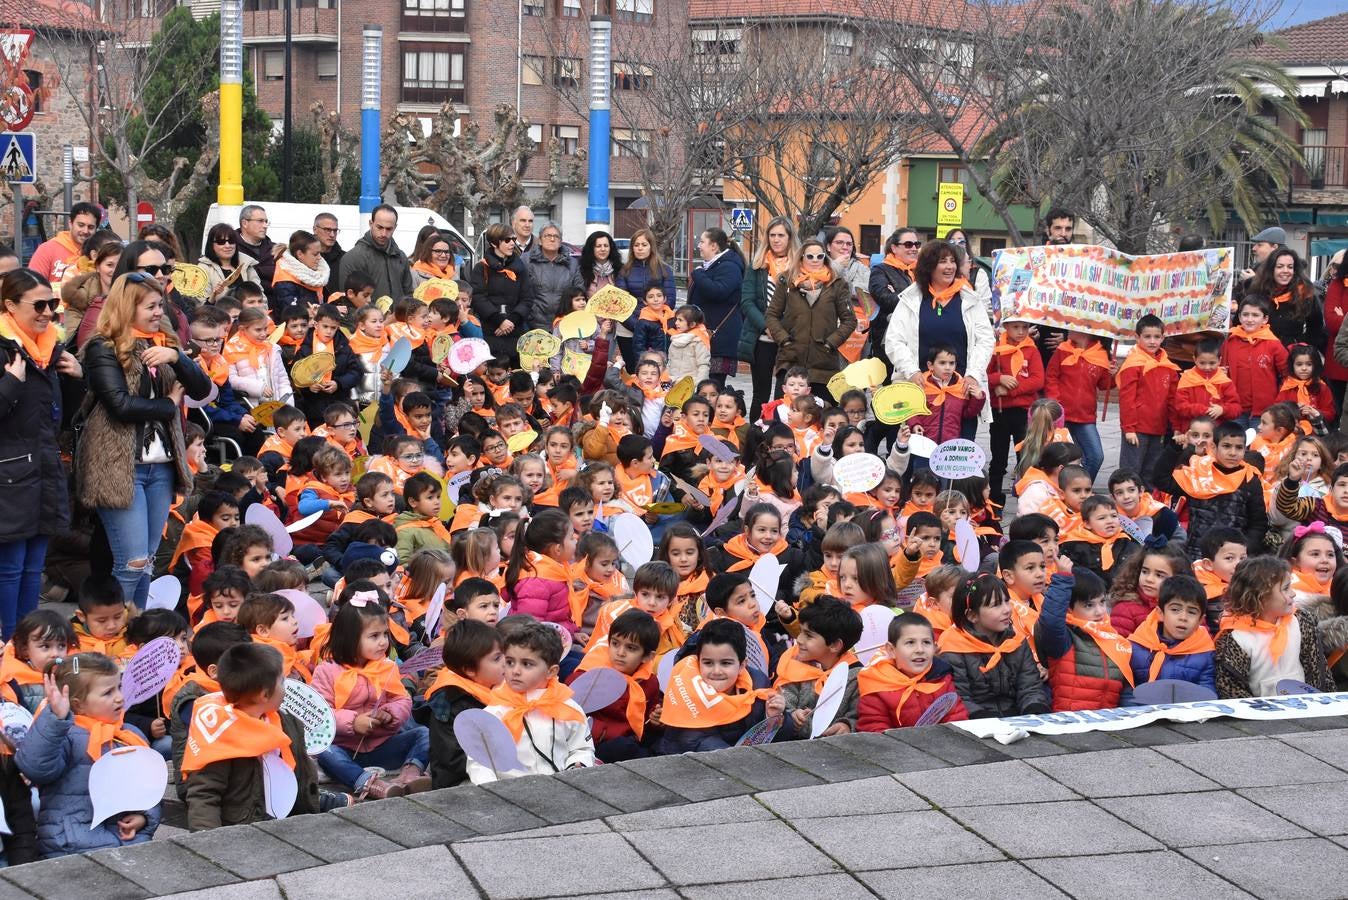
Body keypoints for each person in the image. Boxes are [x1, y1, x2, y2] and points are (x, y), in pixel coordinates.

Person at [78, 272, 212, 607]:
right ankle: (117, 636)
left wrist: (177, 358)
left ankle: (138, 632)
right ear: (127, 307)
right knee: (131, 562)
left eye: (160, 306)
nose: (158, 313)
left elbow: (201, 390)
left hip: (161, 467)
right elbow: (120, 405)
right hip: (120, 467)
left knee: (149, 562)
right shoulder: (102, 346)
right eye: (151, 306)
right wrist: (168, 404)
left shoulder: (164, 342)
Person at [0, 270, 80, 640]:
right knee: (10, 567)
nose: (48, 312)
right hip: (9, 473)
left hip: (44, 465)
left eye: (53, 303)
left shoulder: (50, 350)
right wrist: (10, 385)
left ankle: (27, 641)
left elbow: (65, 416)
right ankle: (8, 639)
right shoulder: (4, 350)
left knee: (34, 566)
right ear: (10, 306)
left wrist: (78, 377)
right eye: (39, 305)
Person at [16, 654, 161, 857]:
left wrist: (143, 816)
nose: (119, 697)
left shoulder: (130, 734)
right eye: (108, 692)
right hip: (72, 843)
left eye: (119, 687)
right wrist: (55, 719)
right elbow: (36, 767)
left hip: (128, 838)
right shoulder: (65, 735)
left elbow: (149, 788)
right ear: (78, 704)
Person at [181, 643, 319, 830]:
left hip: (289, 819)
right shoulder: (222, 733)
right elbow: (204, 795)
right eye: (282, 681)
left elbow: (301, 770)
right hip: (244, 830)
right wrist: (209, 844)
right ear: (264, 695)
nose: (286, 687)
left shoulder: (285, 721)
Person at [882, 239, 995, 441]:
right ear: (929, 266)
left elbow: (985, 340)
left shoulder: (969, 299)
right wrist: (912, 371)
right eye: (943, 261)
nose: (949, 266)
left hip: (960, 393)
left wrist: (973, 375)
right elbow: (894, 340)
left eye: (953, 261)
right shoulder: (912, 299)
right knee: (919, 458)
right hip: (921, 393)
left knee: (958, 458)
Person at [467, 621, 593, 782]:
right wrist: (493, 790)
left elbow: (581, 748)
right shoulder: (495, 712)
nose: (515, 671)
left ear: (551, 671)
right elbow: (479, 761)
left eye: (527, 664)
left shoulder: (568, 708)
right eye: (510, 662)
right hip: (511, 796)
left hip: (562, 792)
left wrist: (578, 766)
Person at [1215, 555, 1333, 697]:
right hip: (1263, 713)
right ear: (1260, 597)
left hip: (1304, 706)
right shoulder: (1236, 637)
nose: (1293, 593)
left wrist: (1324, 703)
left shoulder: (1300, 621)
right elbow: (1230, 688)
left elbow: (1316, 668)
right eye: (1285, 588)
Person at [764, 239, 857, 400]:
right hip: (791, 359)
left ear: (825, 258)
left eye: (819, 256)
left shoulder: (837, 284)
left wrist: (831, 343)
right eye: (810, 256)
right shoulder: (786, 281)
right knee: (784, 412)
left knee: (821, 414)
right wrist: (784, 340)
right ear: (801, 258)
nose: (815, 260)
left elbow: (849, 320)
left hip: (823, 363)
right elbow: (771, 315)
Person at [739, 216, 798, 420]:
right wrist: (767, 327)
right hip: (762, 337)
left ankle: (780, 438)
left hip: (789, 338)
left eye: (781, 235)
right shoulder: (757, 266)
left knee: (784, 395)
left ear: (790, 238)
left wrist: (781, 331)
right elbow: (747, 301)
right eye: (772, 235)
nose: (776, 239)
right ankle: (758, 436)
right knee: (761, 394)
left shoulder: (799, 267)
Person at [469, 222, 536, 363]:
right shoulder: (482, 267)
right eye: (507, 240)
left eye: (513, 239)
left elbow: (527, 297)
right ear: (494, 243)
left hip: (515, 329)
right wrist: (499, 320)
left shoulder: (520, 267)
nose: (512, 243)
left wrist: (511, 321)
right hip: (491, 330)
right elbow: (478, 298)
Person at [688, 227, 746, 388]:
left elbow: (718, 291)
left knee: (713, 387)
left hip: (719, 340)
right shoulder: (712, 266)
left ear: (714, 246)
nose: (699, 246)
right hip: (707, 338)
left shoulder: (729, 266)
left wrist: (698, 274)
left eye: (702, 242)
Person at [616, 228, 675, 372]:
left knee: (656, 372)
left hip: (658, 328)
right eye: (636, 245)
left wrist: (651, 325)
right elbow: (621, 305)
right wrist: (639, 326)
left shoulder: (664, 270)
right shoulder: (624, 271)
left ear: (651, 246)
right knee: (634, 371)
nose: (640, 248)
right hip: (629, 328)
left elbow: (670, 300)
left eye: (644, 244)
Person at [1249, 245, 1324, 350]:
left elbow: (1316, 330)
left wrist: (1304, 351)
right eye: (1280, 266)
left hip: (1292, 356)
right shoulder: (1258, 291)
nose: (1285, 271)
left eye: (1290, 267)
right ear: (1271, 269)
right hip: (1261, 352)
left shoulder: (1306, 294)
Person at [339, 204, 414, 302]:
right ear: (371, 223)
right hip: (366, 316)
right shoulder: (353, 258)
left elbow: (408, 295)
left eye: (389, 229)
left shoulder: (401, 257)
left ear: (395, 227)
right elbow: (348, 299)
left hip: (398, 316)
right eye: (379, 227)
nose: (383, 233)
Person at [1034, 207, 1075, 364]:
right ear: (1048, 230)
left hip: (1070, 346)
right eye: (1058, 228)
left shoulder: (1082, 262)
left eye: (1068, 229)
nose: (1063, 233)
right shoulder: (1035, 258)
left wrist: (1069, 336)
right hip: (1037, 343)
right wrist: (1027, 331)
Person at [525, 222, 583, 333]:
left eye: (556, 236)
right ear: (540, 240)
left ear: (561, 242)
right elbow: (521, 291)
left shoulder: (572, 264)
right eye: (547, 236)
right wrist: (531, 314)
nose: (552, 239)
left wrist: (567, 315)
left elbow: (579, 291)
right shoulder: (527, 261)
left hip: (564, 324)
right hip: (534, 324)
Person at [27, 200, 99, 285]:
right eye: (81, 225)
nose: (85, 231)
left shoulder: (99, 252)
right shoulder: (47, 249)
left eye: (90, 227)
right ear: (70, 224)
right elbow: (32, 286)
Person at [198, 223, 261, 301]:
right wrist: (214, 295)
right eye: (221, 242)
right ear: (211, 245)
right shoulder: (203, 269)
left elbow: (261, 297)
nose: (228, 245)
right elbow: (201, 305)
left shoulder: (247, 264)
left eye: (231, 241)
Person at [272, 231, 330, 310]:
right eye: (315, 254)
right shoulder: (284, 281)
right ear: (300, 254)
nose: (320, 258)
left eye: (320, 253)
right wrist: (324, 310)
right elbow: (293, 313)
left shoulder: (318, 275)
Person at [233, 204, 279, 304]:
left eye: (266, 221)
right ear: (244, 223)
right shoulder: (230, 249)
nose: (265, 225)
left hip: (275, 309)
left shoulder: (275, 250)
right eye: (260, 221)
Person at [313, 212, 344, 298]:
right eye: (327, 230)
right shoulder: (304, 257)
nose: (332, 235)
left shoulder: (344, 259)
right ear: (315, 229)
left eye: (335, 230)